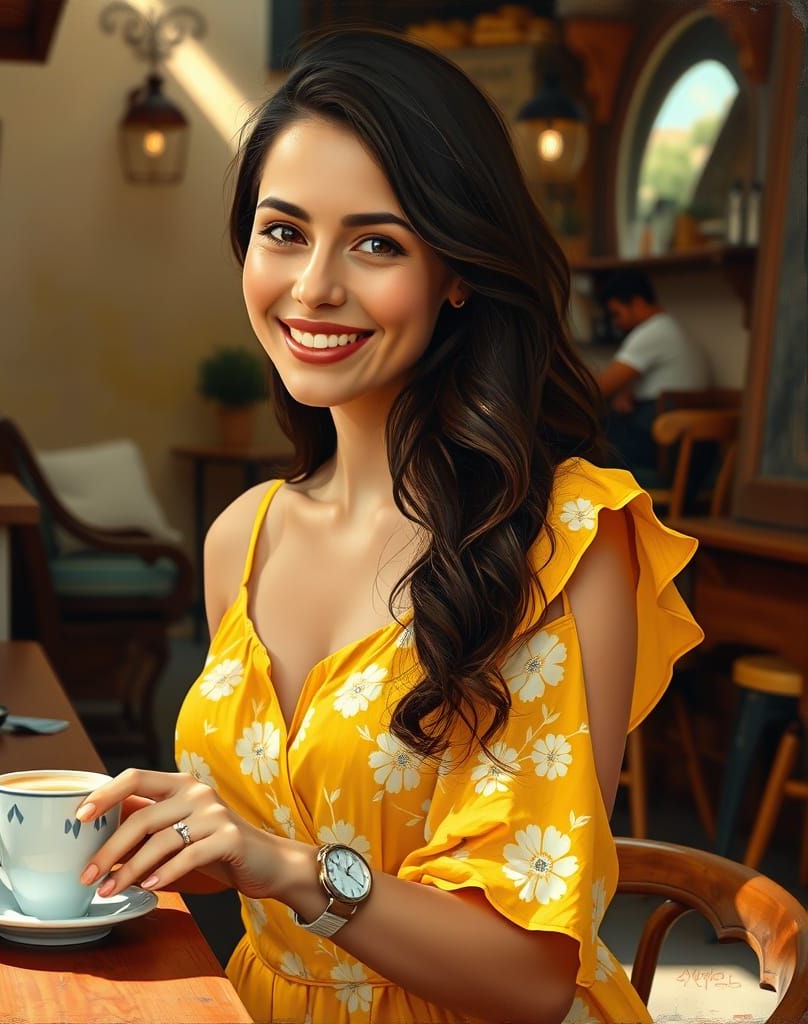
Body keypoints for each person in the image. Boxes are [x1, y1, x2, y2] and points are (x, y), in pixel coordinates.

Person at [74, 29, 703, 1023]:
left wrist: (282, 866)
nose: (315, 285)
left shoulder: (564, 541)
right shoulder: (242, 537)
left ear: (457, 270)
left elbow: (532, 976)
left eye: (375, 243)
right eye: (283, 232)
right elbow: (285, 842)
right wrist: (204, 837)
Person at [596, 270, 711, 480]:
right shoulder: (673, 328)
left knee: (584, 428)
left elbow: (600, 387)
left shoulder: (652, 332)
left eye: (616, 313)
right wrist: (624, 394)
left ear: (638, 303)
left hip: (663, 447)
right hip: (687, 449)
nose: (616, 323)